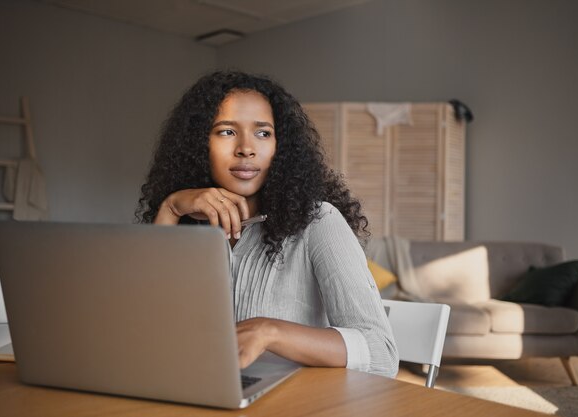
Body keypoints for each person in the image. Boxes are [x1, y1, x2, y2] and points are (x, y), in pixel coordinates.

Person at [136, 70, 399, 378]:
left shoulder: (319, 221)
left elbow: (381, 353)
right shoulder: (186, 225)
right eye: (226, 131)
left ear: (281, 147)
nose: (246, 148)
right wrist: (170, 207)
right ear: (198, 144)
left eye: (263, 133)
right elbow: (144, 330)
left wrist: (270, 332)